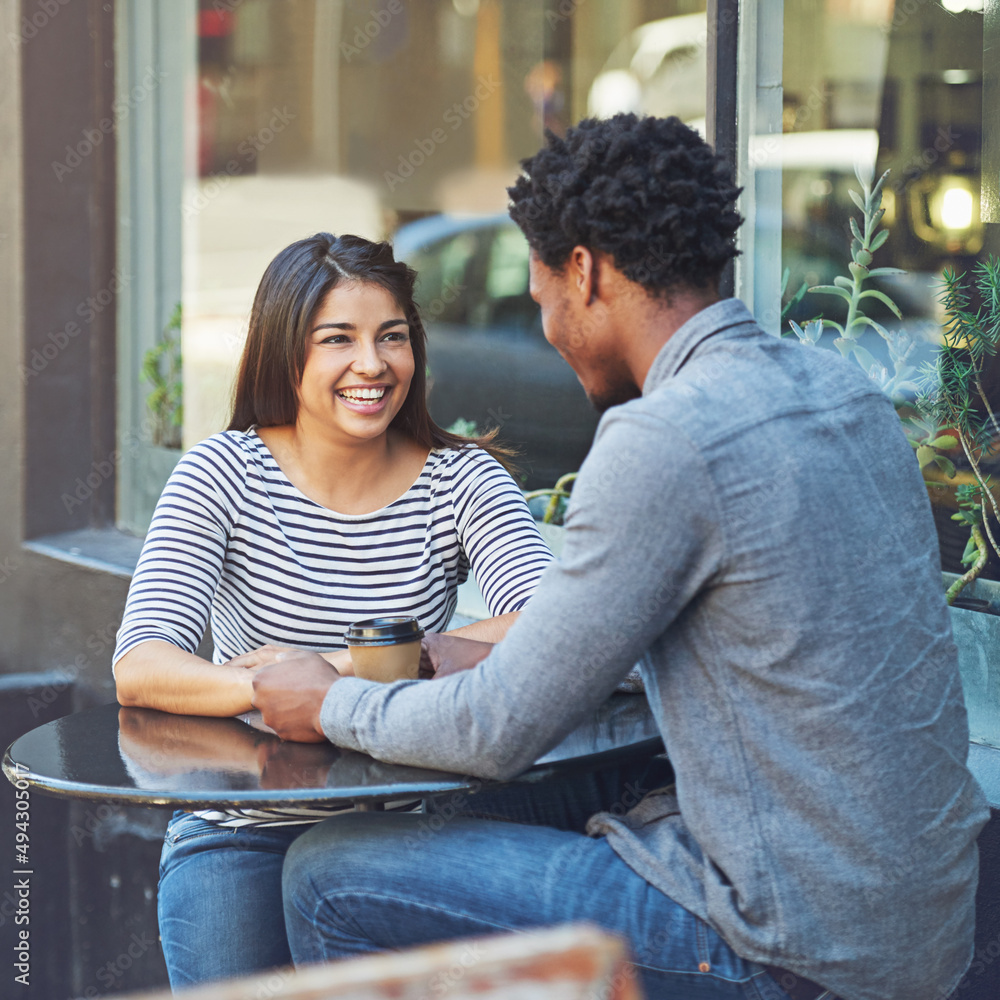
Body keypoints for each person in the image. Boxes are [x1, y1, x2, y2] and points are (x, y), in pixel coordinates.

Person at [253, 114, 991, 1000]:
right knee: (465, 816)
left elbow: (496, 731)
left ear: (585, 270)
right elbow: (776, 645)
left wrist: (333, 700)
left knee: (329, 873)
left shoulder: (665, 437)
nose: (549, 331)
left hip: (786, 952)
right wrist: (500, 656)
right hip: (926, 929)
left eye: (539, 302)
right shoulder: (840, 394)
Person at [111, 233, 555, 989]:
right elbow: (141, 664)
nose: (373, 365)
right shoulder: (223, 473)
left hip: (407, 836)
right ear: (287, 353)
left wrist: (338, 672)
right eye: (337, 340)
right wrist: (264, 691)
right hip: (243, 835)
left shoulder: (461, 479)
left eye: (393, 337)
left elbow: (555, 622)